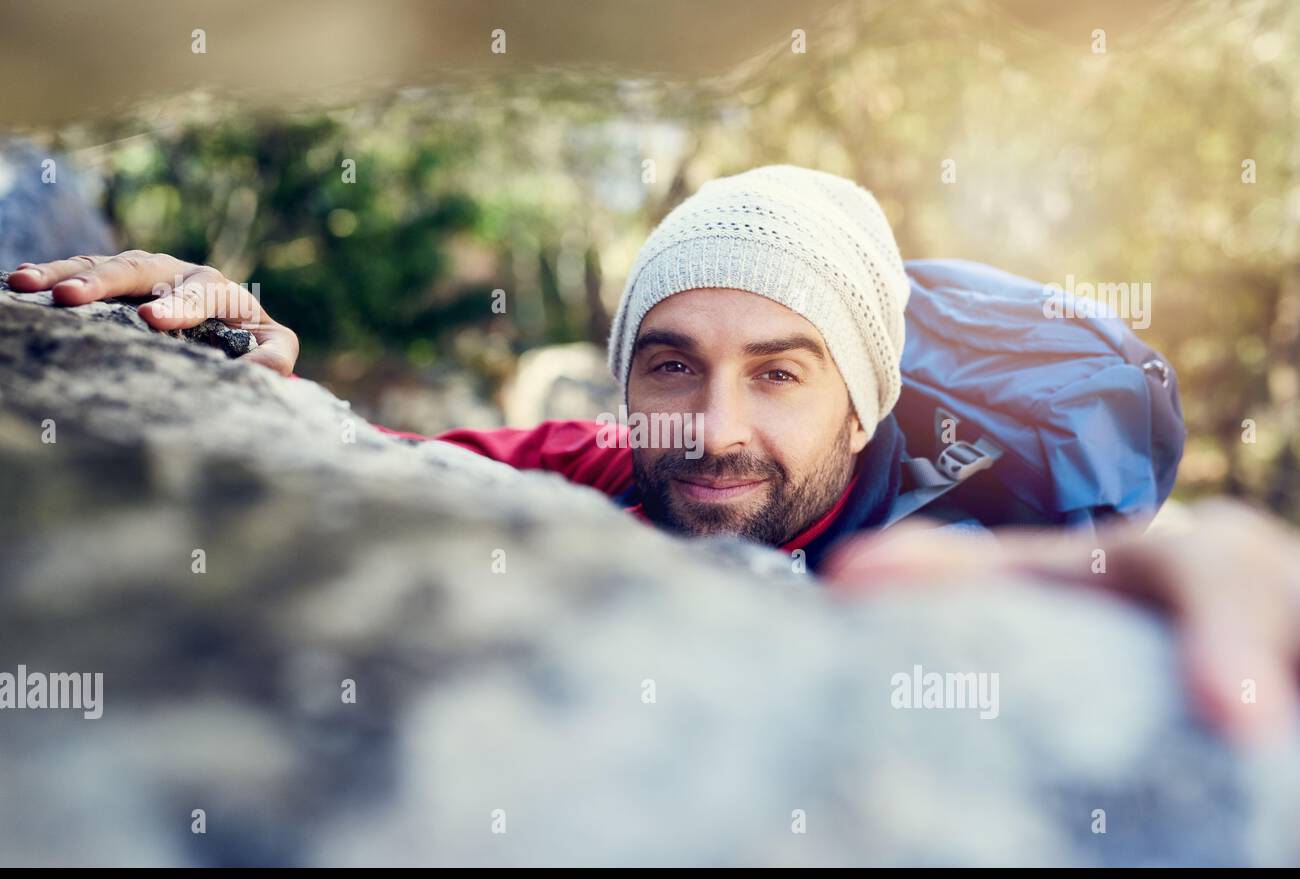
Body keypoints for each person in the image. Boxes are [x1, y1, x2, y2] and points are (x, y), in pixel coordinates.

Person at [8, 164, 1299, 740]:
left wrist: (1208, 571)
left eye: (783, 370)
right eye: (671, 362)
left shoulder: (957, 555)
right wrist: (245, 359)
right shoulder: (598, 467)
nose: (715, 427)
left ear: (867, 405)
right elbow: (365, 468)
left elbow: (1124, 574)